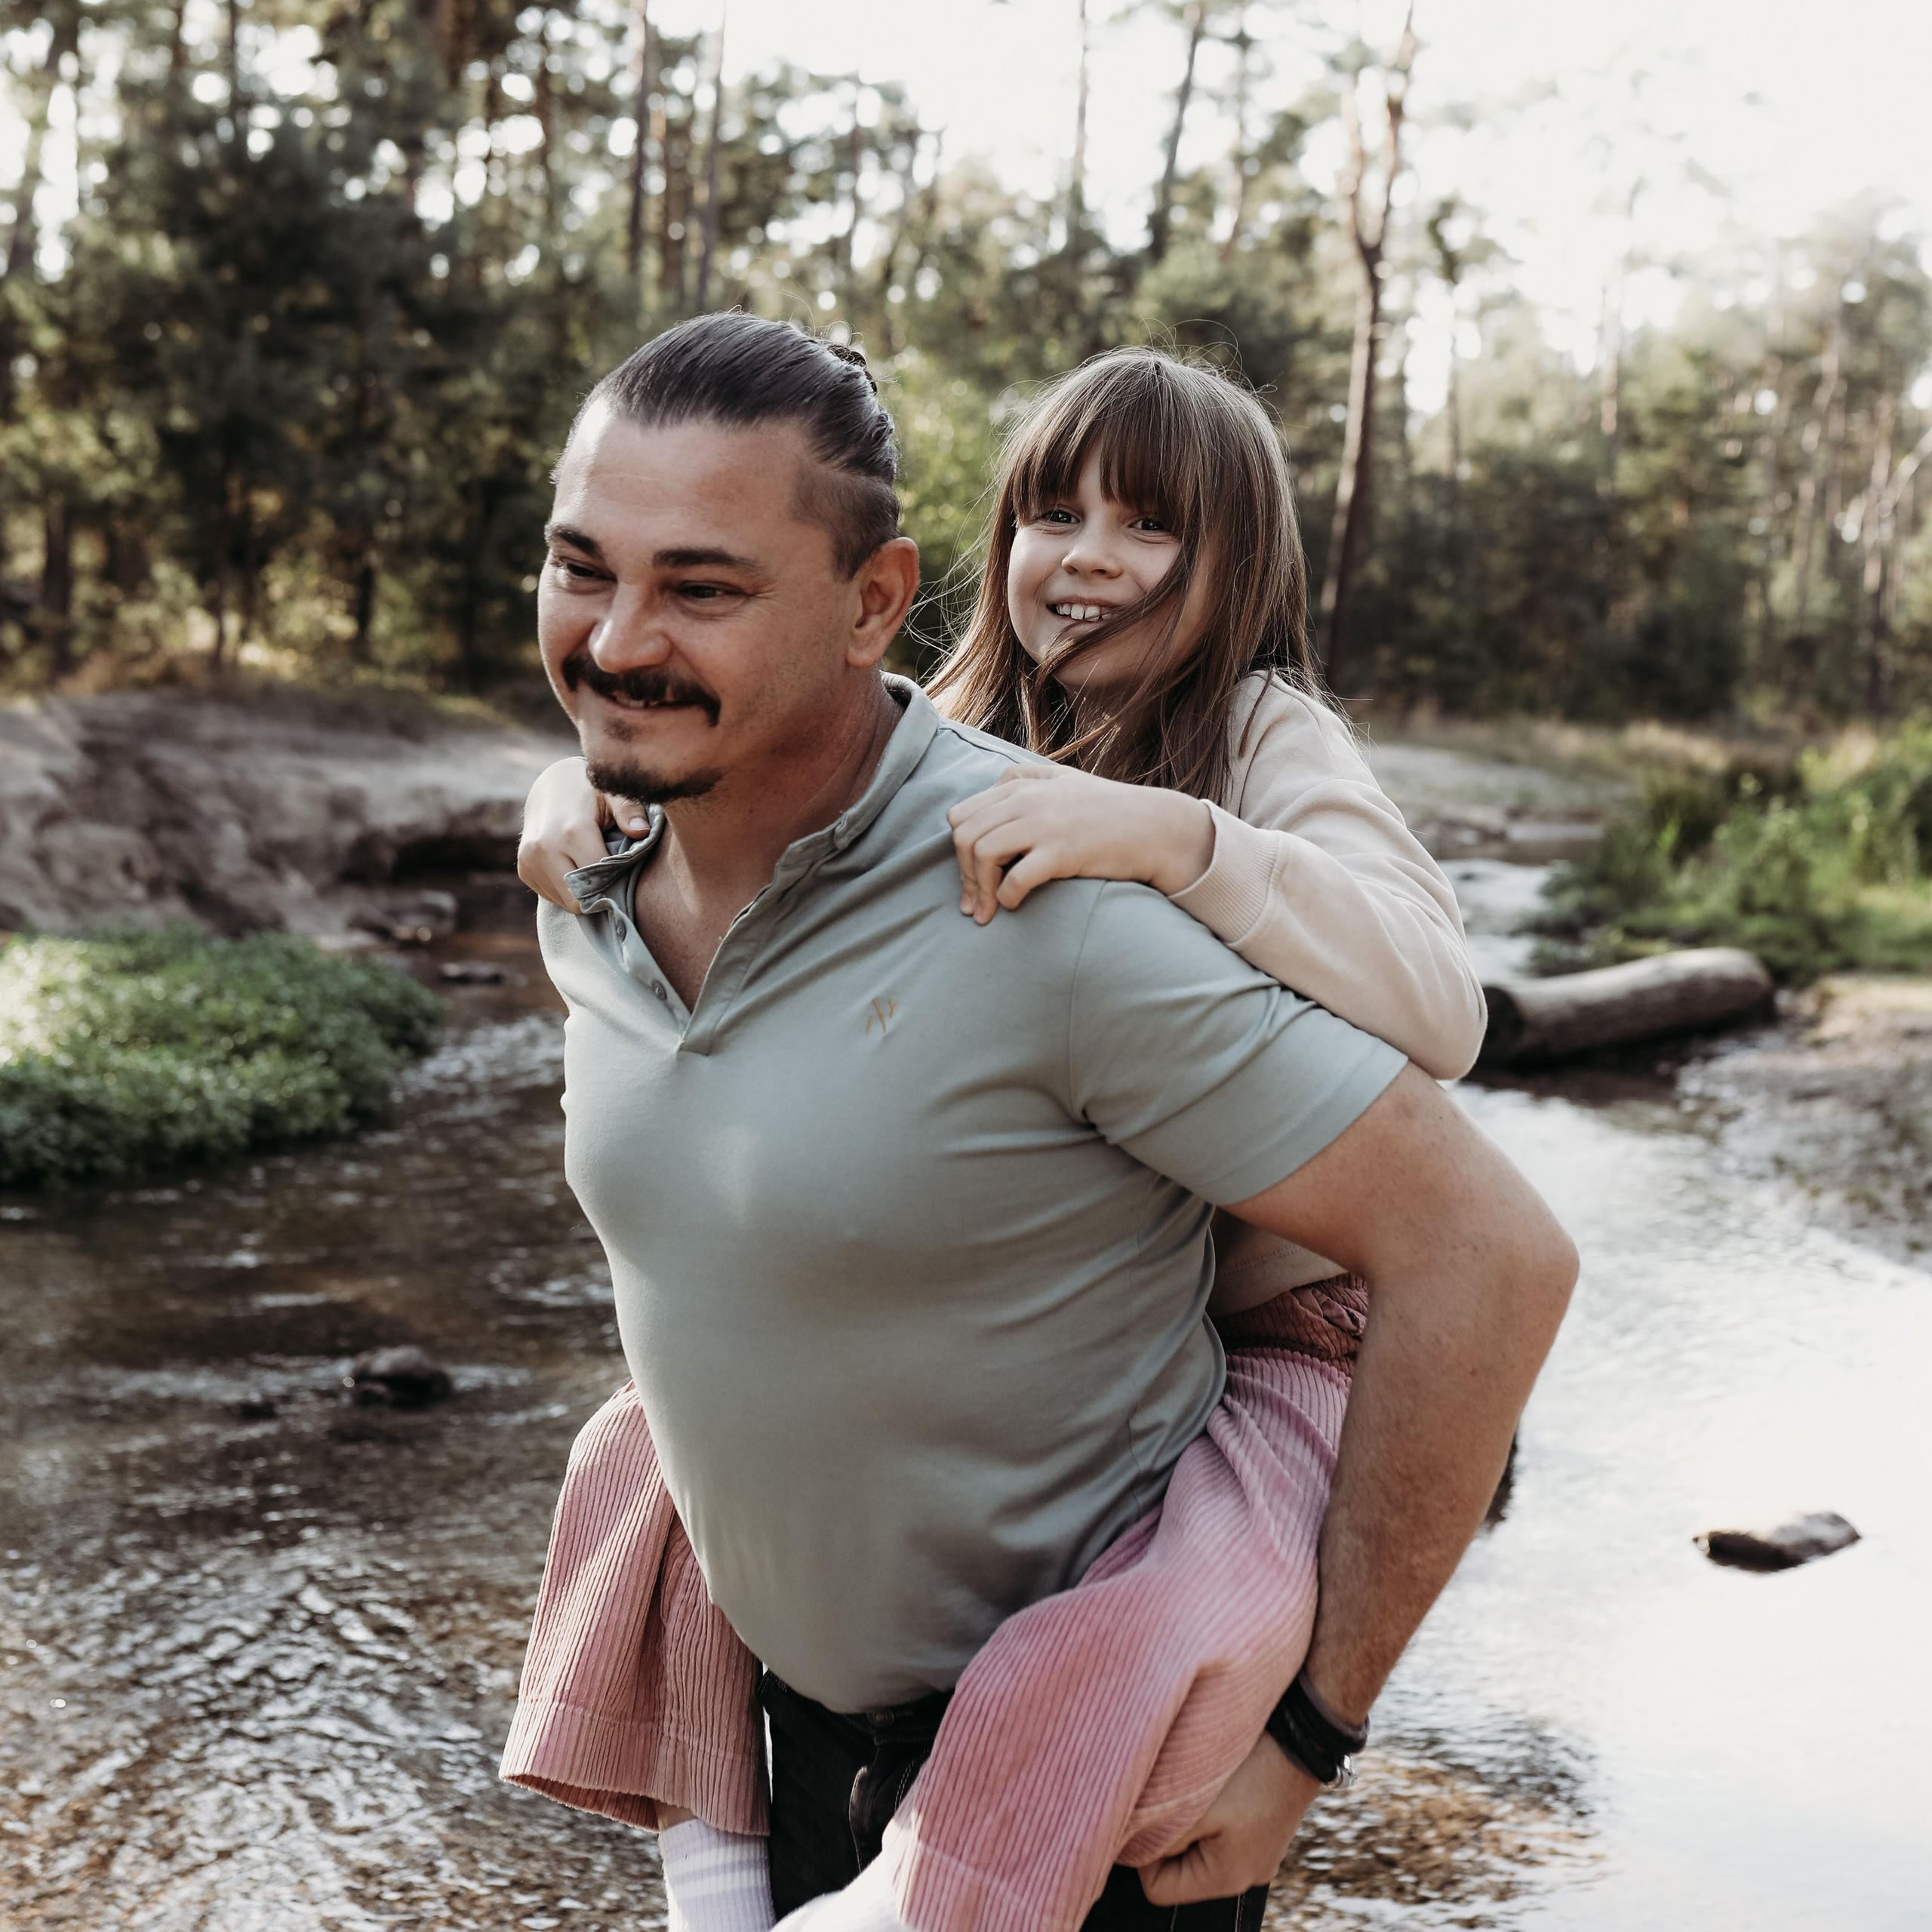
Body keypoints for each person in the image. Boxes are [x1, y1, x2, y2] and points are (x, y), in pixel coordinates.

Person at [502, 314, 1574, 1932]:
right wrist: (565, 790)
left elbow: (1444, 1030)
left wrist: (1182, 842)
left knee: (1143, 1622)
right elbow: (781, 781)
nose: (1089, 560)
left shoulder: (1244, 755)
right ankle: (709, 1851)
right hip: (821, 1714)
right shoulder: (925, 728)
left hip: (1284, 1319)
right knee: (640, 1444)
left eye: (1150, 524)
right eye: (1053, 516)